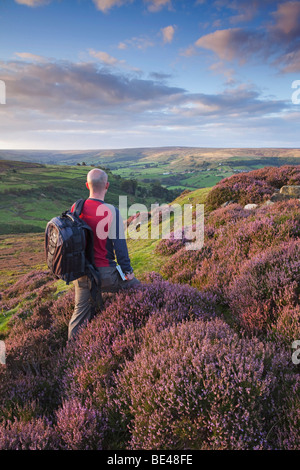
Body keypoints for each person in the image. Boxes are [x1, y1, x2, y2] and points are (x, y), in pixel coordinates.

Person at [68, 168, 140, 340]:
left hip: (82, 273)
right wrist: (128, 272)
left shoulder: (76, 208)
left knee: (79, 314)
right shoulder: (111, 211)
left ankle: (69, 356)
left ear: (87, 185)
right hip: (106, 273)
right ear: (107, 185)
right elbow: (120, 248)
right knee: (139, 290)